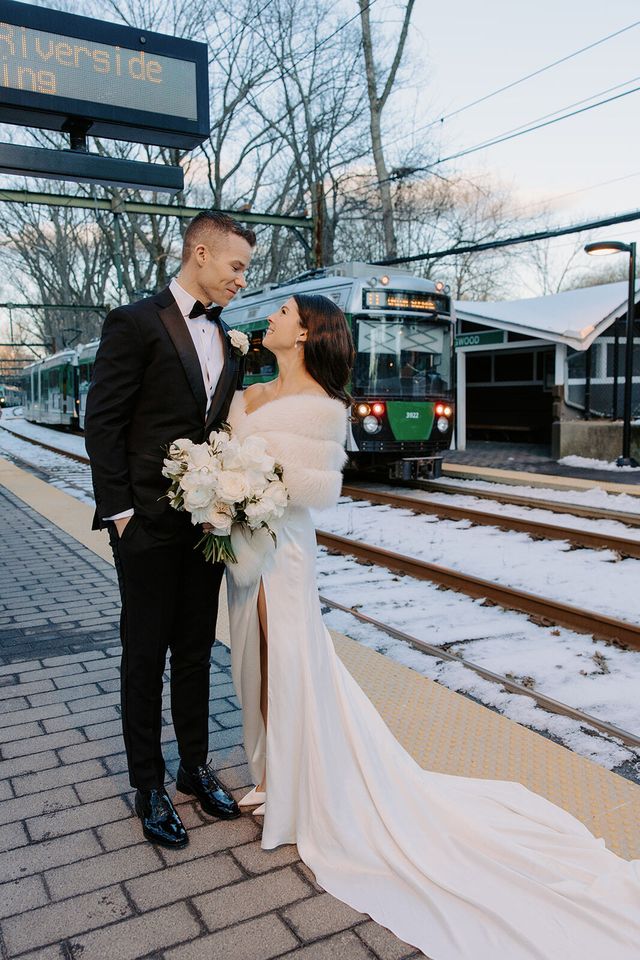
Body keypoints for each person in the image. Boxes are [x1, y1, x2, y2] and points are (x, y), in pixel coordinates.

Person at [225, 292, 640, 960]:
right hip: (244, 548)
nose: (266, 320)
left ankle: (301, 790)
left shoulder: (325, 407)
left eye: (280, 315)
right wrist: (222, 490)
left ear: (304, 332)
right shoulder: (244, 394)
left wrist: (245, 490)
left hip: (284, 550)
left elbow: (314, 489)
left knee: (293, 660)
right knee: (256, 661)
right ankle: (274, 772)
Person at [85, 211, 256, 848]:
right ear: (201, 252)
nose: (242, 279)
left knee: (193, 652)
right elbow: (103, 423)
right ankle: (148, 784)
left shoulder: (229, 337)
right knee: (143, 654)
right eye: (236, 266)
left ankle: (194, 767)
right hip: (146, 527)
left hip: (204, 526)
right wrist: (121, 515)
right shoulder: (134, 322)